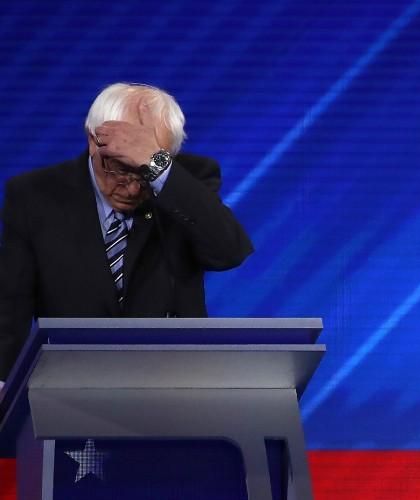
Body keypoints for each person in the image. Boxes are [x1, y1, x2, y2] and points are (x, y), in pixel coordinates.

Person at [0, 83, 254, 378]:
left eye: (143, 173)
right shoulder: (36, 195)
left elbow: (228, 252)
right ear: (94, 142)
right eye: (120, 168)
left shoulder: (189, 181)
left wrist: (158, 167)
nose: (133, 188)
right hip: (70, 386)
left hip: (173, 385)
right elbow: (10, 305)